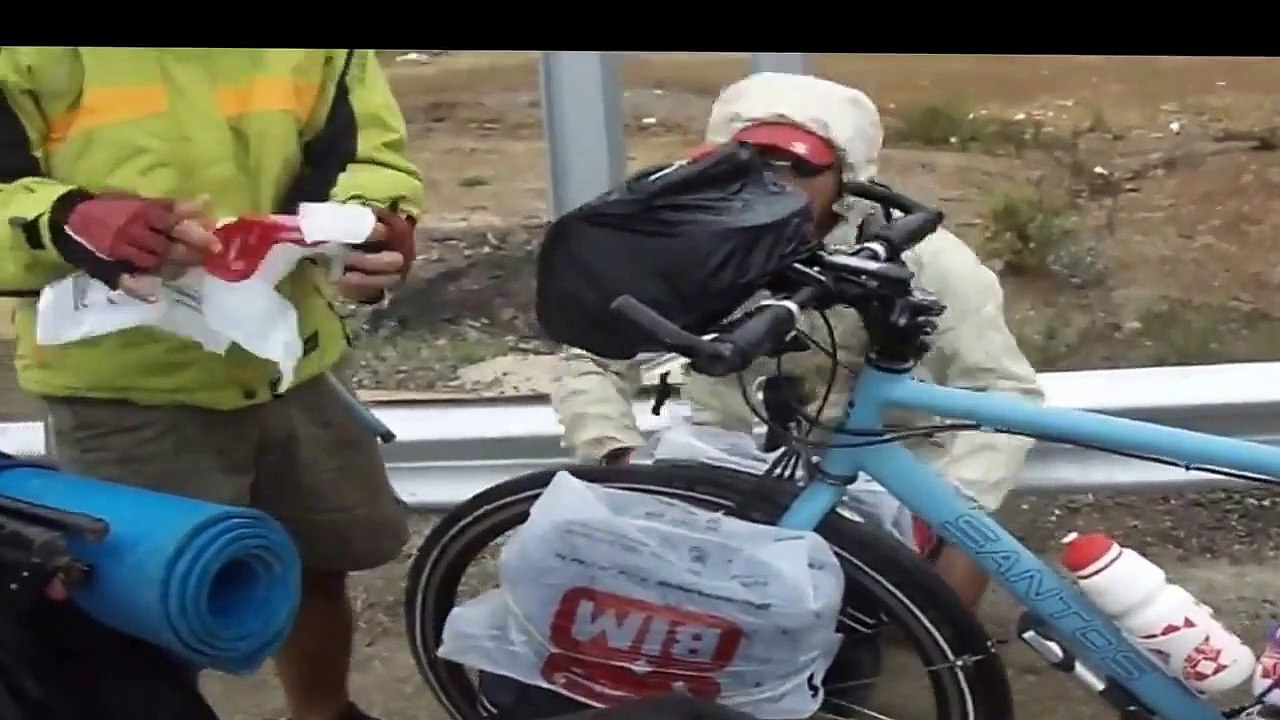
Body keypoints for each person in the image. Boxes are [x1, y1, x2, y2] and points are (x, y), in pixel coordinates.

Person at [0, 48, 425, 720]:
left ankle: (324, 711)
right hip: (127, 387)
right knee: (137, 613)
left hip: (291, 360)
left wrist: (370, 223)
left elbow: (364, 153)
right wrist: (67, 218)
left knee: (317, 564)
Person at [550, 71, 1044, 612]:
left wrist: (951, 503)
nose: (772, 182)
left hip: (872, 462)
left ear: (847, 175)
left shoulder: (924, 258)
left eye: (798, 166)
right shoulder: (683, 249)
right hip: (725, 451)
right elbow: (589, 353)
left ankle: (939, 656)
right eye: (750, 162)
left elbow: (1002, 389)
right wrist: (617, 454)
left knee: (961, 550)